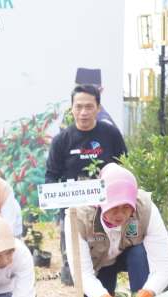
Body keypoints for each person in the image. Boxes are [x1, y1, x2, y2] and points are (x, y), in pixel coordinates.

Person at [65, 164, 168, 297]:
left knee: (139, 253)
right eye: (114, 206)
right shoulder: (79, 216)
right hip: (99, 265)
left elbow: (164, 267)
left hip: (130, 255)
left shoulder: (145, 208)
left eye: (126, 207)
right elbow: (82, 273)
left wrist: (146, 296)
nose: (120, 214)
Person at [45, 85, 127, 286]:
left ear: (98, 108)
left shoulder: (111, 134)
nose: (83, 112)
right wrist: (58, 204)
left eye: (89, 107)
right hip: (73, 208)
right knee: (73, 276)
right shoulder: (61, 140)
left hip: (108, 205)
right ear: (71, 108)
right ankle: (70, 266)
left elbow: (126, 167)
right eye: (78, 106)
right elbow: (51, 177)